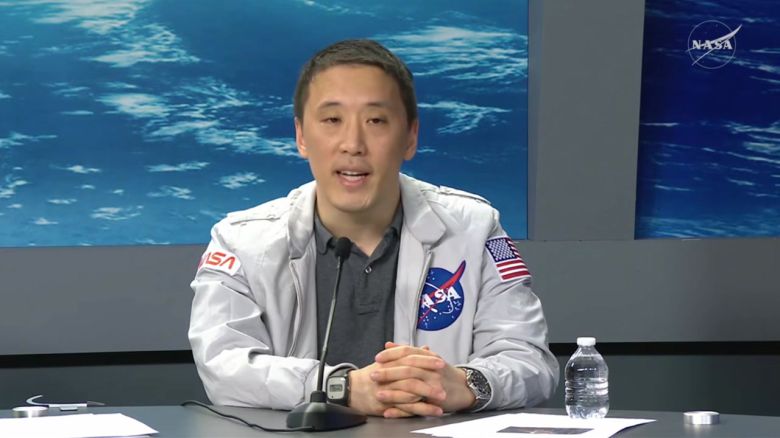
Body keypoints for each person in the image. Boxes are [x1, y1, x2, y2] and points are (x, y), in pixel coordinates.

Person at [188, 39, 558, 418]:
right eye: (332, 120)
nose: (353, 144)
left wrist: (465, 383)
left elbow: (530, 360)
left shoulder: (474, 229)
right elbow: (223, 366)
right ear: (301, 136)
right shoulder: (240, 242)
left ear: (410, 137)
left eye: (376, 121)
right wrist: (343, 388)